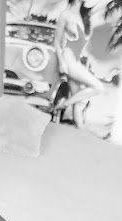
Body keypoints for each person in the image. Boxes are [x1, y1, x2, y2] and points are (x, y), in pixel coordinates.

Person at [53, 0, 106, 128]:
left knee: (79, 102)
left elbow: (102, 4)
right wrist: (61, 63)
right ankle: (64, 104)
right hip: (68, 60)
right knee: (98, 87)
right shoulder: (65, 15)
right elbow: (56, 42)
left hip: (75, 61)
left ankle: (80, 132)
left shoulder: (83, 15)